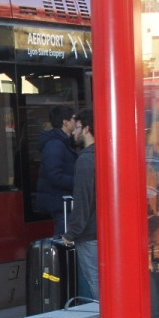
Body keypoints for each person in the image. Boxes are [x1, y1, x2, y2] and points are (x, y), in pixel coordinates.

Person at [62, 109, 98, 301]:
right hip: (104, 232)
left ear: (86, 129)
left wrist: (71, 233)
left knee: (95, 282)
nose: (73, 132)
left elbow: (83, 199)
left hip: (90, 234)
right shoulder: (107, 155)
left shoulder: (85, 160)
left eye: (76, 128)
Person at [35, 105, 78, 235]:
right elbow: (54, 176)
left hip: (61, 201)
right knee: (64, 238)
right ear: (65, 122)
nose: (76, 122)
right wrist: (78, 181)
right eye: (74, 119)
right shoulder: (55, 144)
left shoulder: (61, 142)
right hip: (60, 202)